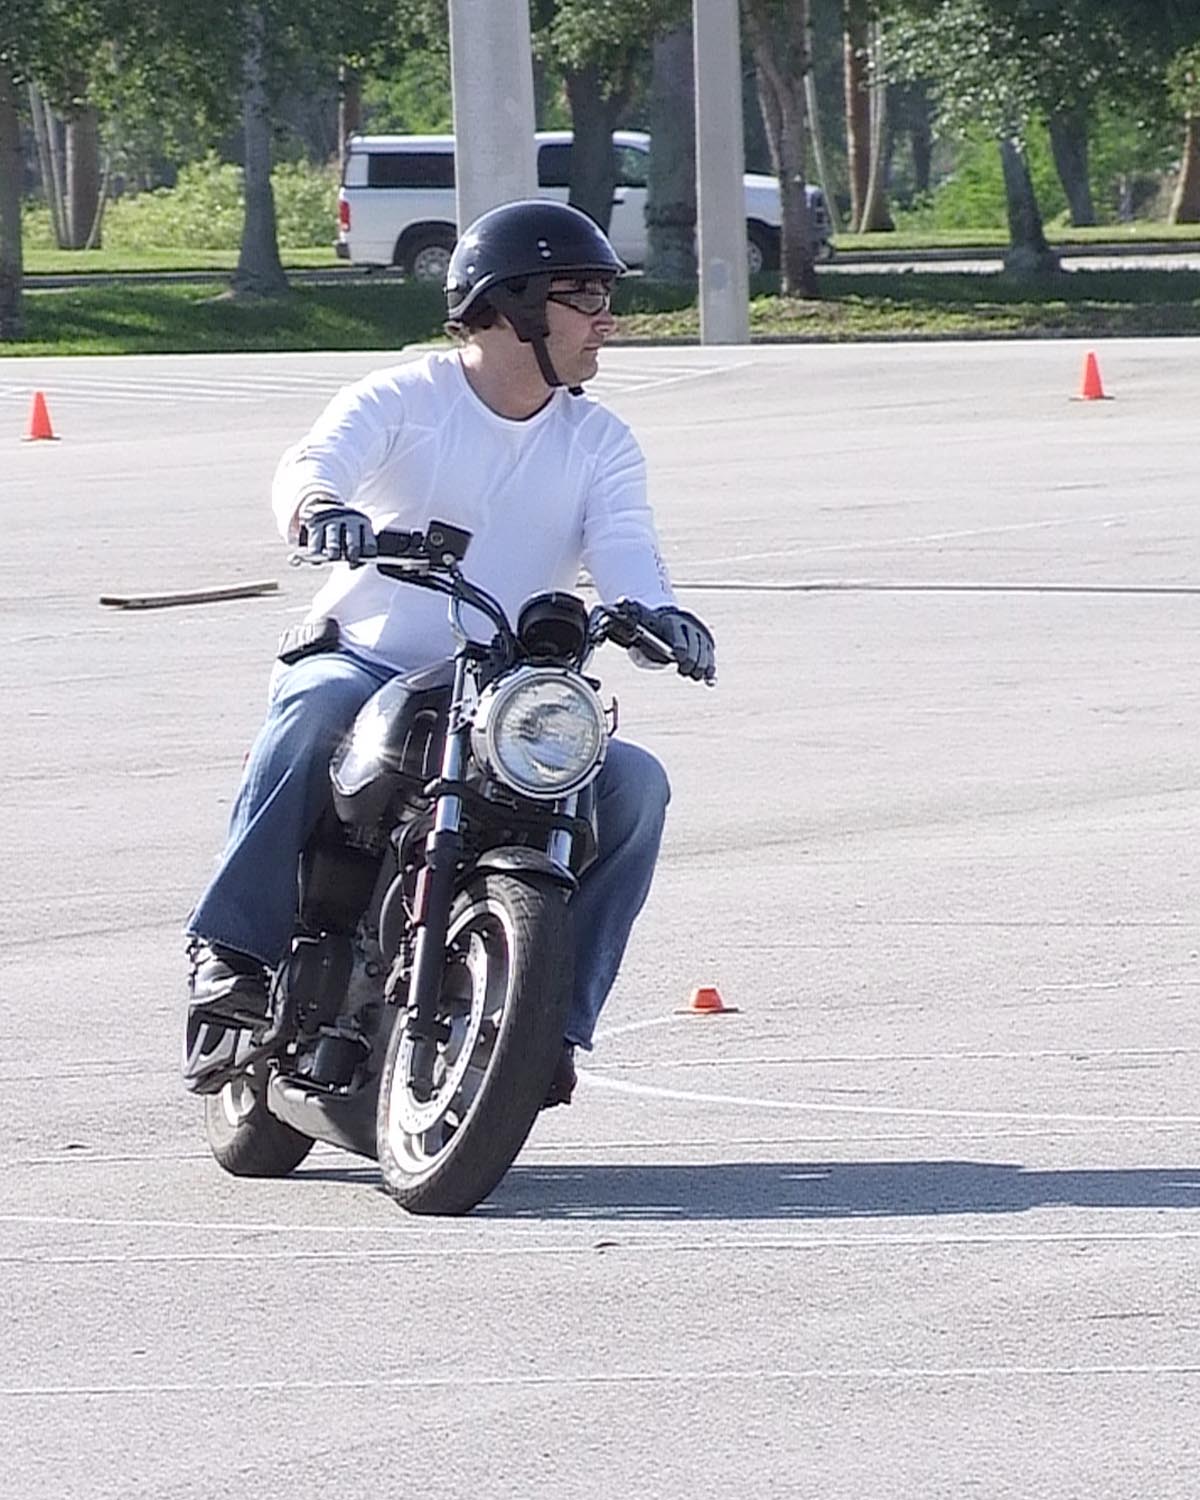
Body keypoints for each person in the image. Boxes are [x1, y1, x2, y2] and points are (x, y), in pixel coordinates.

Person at [184, 199, 716, 1103]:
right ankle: (232, 951)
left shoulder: (598, 439)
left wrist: (658, 614)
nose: (607, 321)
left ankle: (552, 1025)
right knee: (312, 712)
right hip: (370, 663)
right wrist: (321, 509)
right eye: (585, 297)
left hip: (504, 695)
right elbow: (315, 461)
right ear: (513, 307)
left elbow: (627, 546)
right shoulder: (405, 398)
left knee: (636, 787)